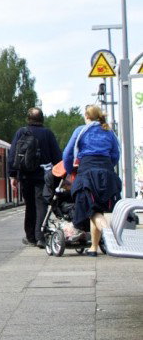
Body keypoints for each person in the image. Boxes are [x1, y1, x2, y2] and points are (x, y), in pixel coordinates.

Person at [62, 104, 121, 256]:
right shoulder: (109, 131)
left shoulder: (80, 130)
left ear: (87, 116)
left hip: (87, 172)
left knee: (92, 209)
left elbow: (67, 154)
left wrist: (70, 171)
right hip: (106, 173)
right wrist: (107, 167)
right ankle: (94, 247)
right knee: (95, 208)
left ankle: (110, 236)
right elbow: (115, 154)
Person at [8, 107, 61, 247]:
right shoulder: (47, 134)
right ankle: (40, 237)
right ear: (42, 119)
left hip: (25, 176)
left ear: (28, 119)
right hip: (43, 177)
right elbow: (57, 156)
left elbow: (12, 155)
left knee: (29, 206)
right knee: (41, 204)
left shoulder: (21, 132)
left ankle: (30, 236)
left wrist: (13, 175)